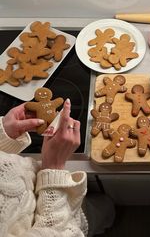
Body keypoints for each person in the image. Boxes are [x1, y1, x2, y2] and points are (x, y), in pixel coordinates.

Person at [0, 98, 88, 236]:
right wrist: (53, 167)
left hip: (43, 184)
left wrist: (4, 136)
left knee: (98, 206)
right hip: (60, 212)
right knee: (98, 215)